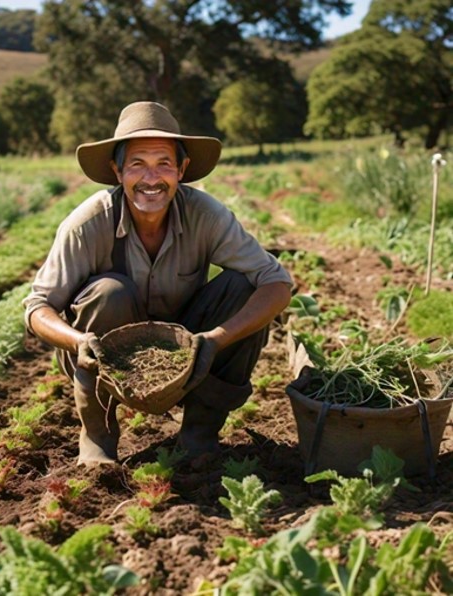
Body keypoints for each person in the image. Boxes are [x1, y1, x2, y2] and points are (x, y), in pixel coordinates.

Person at [23, 101, 292, 466]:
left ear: (182, 170)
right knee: (108, 292)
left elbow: (276, 283)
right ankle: (98, 437)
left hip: (190, 344)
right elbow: (38, 307)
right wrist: (79, 341)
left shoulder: (206, 215)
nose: (152, 178)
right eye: (137, 164)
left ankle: (199, 433)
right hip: (106, 352)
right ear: (117, 171)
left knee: (243, 288)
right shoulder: (88, 223)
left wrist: (216, 340)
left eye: (164, 163)